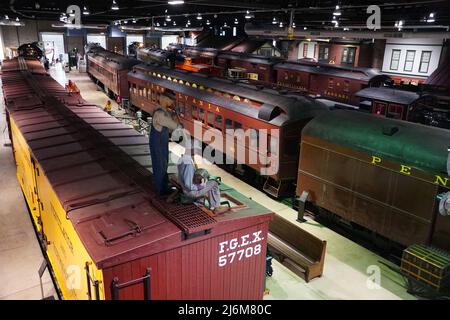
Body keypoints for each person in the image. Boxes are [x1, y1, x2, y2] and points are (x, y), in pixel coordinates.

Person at [177, 148, 229, 215]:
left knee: (207, 183)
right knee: (214, 183)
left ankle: (201, 200)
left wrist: (193, 160)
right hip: (190, 192)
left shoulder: (182, 159)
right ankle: (216, 207)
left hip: (184, 189)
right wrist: (200, 186)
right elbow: (188, 185)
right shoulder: (188, 164)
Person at [150, 107, 180, 196]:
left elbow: (170, 128)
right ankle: (161, 190)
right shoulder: (159, 115)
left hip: (161, 144)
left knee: (163, 164)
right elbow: (173, 126)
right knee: (160, 164)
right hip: (158, 144)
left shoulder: (161, 114)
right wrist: (179, 125)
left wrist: (174, 116)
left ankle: (163, 185)